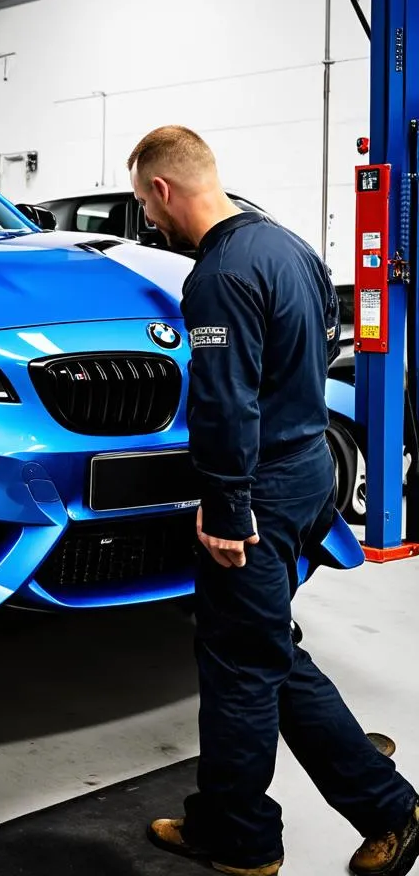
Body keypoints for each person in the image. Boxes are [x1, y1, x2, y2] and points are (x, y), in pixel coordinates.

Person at [127, 126, 419, 876]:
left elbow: (226, 406)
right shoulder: (292, 248)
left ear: (162, 189)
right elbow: (308, 365)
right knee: (259, 653)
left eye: (143, 204)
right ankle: (231, 824)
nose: (148, 222)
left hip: (258, 489)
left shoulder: (217, 277)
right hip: (306, 466)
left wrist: (227, 509)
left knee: (244, 669)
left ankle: (285, 832)